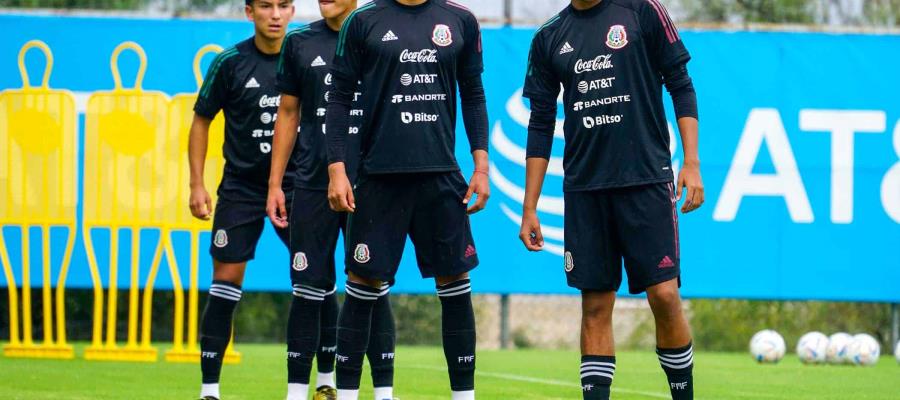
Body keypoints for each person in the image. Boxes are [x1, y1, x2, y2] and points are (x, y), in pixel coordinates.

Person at [519, 1, 704, 399]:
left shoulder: (641, 11)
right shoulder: (549, 36)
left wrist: (691, 162)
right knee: (595, 306)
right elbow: (540, 122)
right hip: (585, 190)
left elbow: (681, 84)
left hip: (645, 181)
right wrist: (530, 206)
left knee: (664, 295)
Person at [324, 1, 490, 399]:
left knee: (455, 285)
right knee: (362, 285)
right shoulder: (363, 21)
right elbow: (339, 98)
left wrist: (481, 166)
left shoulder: (460, 20)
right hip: (378, 178)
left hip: (441, 177)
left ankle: (464, 396)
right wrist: (337, 169)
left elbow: (473, 94)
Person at [266, 0, 397, 399]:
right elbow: (288, 113)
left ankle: (384, 394)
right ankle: (296, 393)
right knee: (307, 288)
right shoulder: (299, 42)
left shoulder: (380, 33)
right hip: (311, 185)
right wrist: (275, 185)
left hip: (370, 184)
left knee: (373, 287)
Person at [187, 0, 295, 398]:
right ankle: (209, 389)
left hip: (295, 187)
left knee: (314, 277)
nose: (275, 14)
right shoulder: (229, 62)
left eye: (284, 5)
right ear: (249, 12)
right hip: (241, 188)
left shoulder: (304, 55)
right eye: (266, 6)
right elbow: (201, 121)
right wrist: (197, 184)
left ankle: (323, 384)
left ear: (293, 10)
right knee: (226, 280)